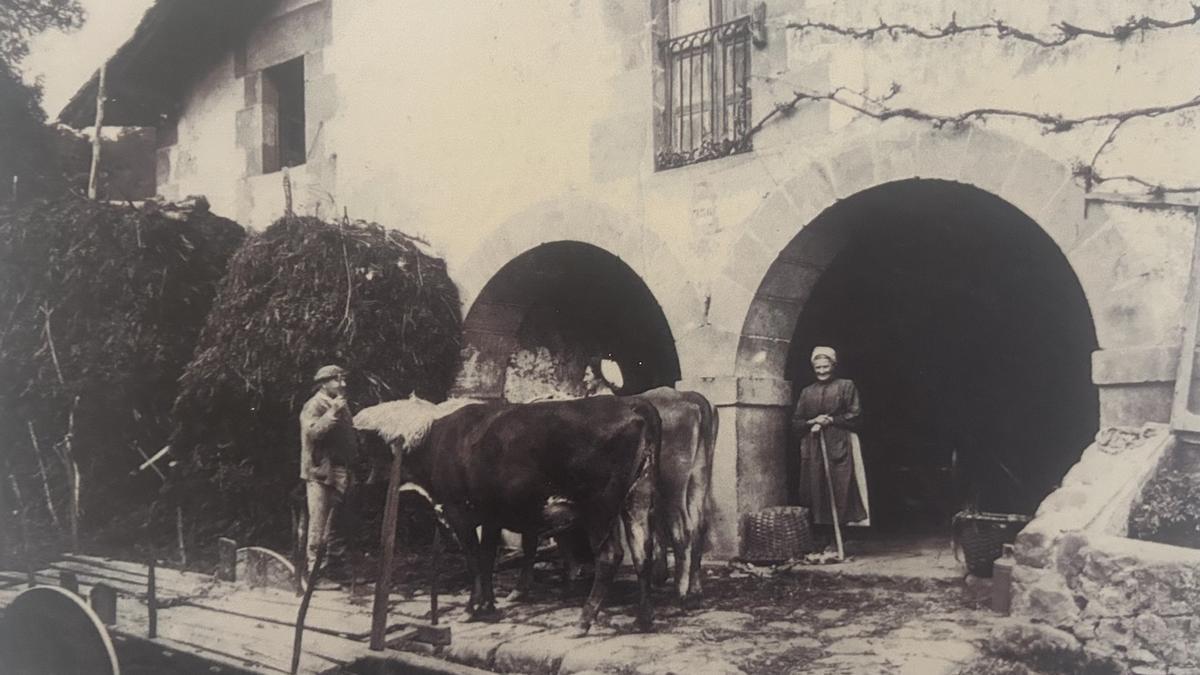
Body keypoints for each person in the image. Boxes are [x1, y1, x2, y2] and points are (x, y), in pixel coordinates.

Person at [791, 346, 870, 553]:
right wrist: (812, 421)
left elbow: (856, 415)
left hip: (840, 444)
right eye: (818, 368)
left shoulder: (846, 386)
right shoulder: (807, 392)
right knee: (816, 490)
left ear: (833, 366)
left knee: (841, 488)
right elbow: (796, 421)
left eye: (825, 367)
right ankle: (823, 537)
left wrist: (832, 420)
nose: (822, 371)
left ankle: (840, 536)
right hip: (814, 446)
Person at [299, 364, 358, 580]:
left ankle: (335, 569)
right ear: (324, 384)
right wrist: (333, 412)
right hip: (319, 472)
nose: (343, 384)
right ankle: (315, 574)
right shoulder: (314, 405)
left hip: (340, 469)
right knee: (318, 523)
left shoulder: (340, 403)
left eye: (343, 379)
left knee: (336, 523)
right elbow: (313, 433)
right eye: (337, 380)